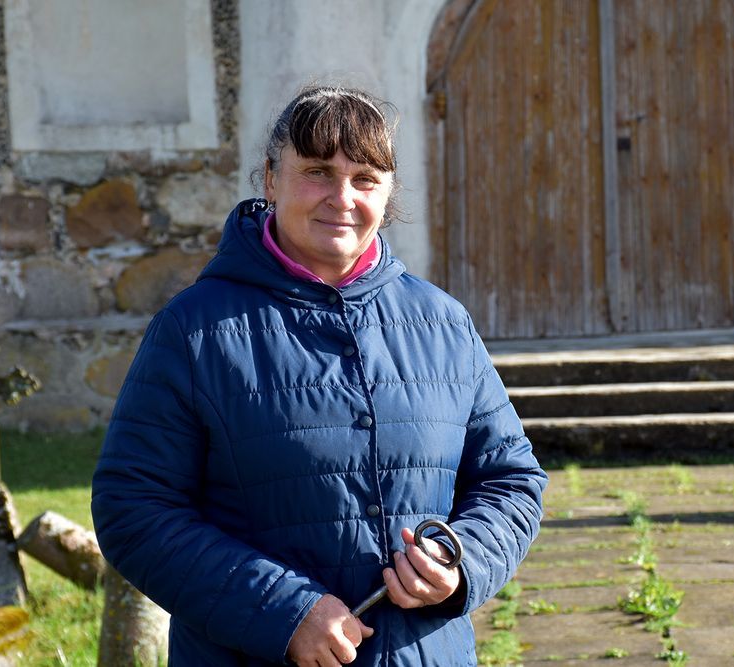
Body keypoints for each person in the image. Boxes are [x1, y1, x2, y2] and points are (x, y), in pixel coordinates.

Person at [91, 85, 546, 666]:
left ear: (388, 194)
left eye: (365, 178)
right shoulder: (193, 332)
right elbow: (134, 506)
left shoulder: (442, 323)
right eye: (317, 172)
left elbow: (511, 479)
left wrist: (460, 564)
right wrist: (281, 612)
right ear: (270, 179)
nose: (342, 198)